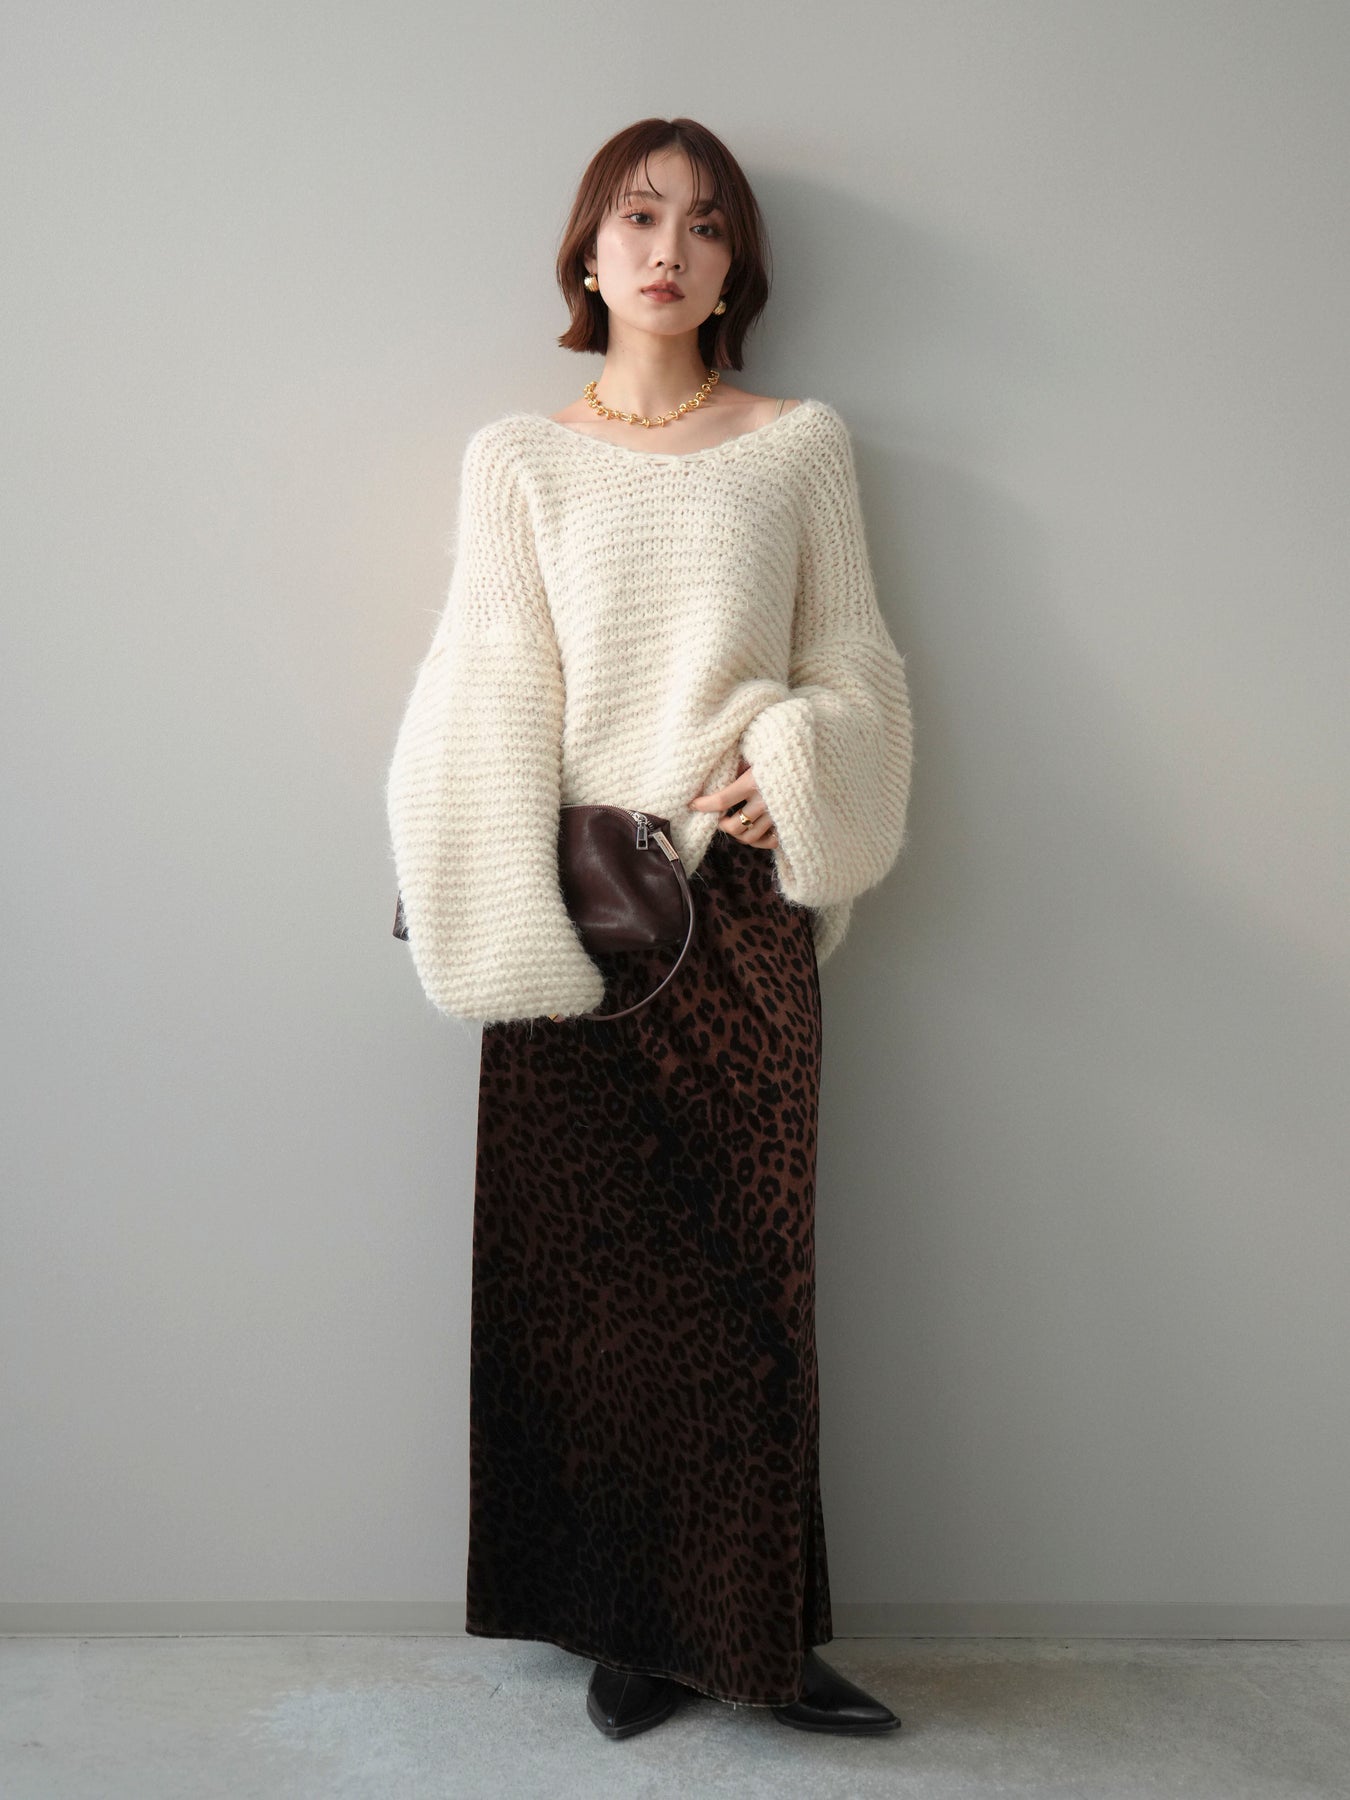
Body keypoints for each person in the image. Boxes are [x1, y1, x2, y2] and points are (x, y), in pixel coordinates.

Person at [385, 116, 915, 1741]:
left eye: (701, 223)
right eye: (636, 215)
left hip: (738, 913)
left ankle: (755, 1635)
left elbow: (855, 664)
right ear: (588, 250)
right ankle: (628, 1625)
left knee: (752, 1287)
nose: (666, 247)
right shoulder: (518, 458)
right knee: (590, 1293)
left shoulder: (798, 445)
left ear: (735, 264)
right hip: (571, 910)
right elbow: (487, 689)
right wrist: (505, 930)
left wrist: (794, 756)